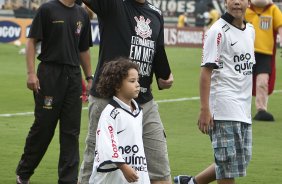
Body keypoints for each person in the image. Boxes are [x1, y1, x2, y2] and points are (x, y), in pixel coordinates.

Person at [78, 0, 174, 184]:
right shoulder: (113, 5)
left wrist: (165, 75)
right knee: (93, 165)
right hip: (107, 100)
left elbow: (157, 49)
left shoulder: (155, 13)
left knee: (160, 170)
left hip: (144, 102)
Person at [174, 0, 255, 184]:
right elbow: (206, 72)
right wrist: (205, 109)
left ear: (248, 3)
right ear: (225, 2)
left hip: (244, 109)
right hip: (223, 107)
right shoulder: (217, 31)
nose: (236, 2)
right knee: (227, 167)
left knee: (237, 161)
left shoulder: (250, 30)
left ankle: (191, 183)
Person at [15, 0, 93, 183]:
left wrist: (89, 77)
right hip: (50, 74)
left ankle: (68, 180)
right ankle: (24, 172)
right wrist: (31, 73)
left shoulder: (82, 14)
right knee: (44, 128)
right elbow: (32, 41)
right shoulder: (47, 9)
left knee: (71, 132)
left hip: (73, 77)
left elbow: (83, 49)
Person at [89, 58, 150, 184]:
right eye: (132, 81)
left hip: (137, 170)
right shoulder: (110, 114)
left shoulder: (138, 111)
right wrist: (123, 166)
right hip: (115, 176)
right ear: (117, 85)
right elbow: (107, 144)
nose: (137, 84)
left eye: (137, 80)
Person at [245, 0, 282, 121]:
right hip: (245, 52)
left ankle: (261, 109)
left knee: (262, 82)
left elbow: (280, 26)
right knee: (243, 81)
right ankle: (240, 108)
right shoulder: (246, 9)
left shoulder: (272, 10)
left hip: (265, 53)